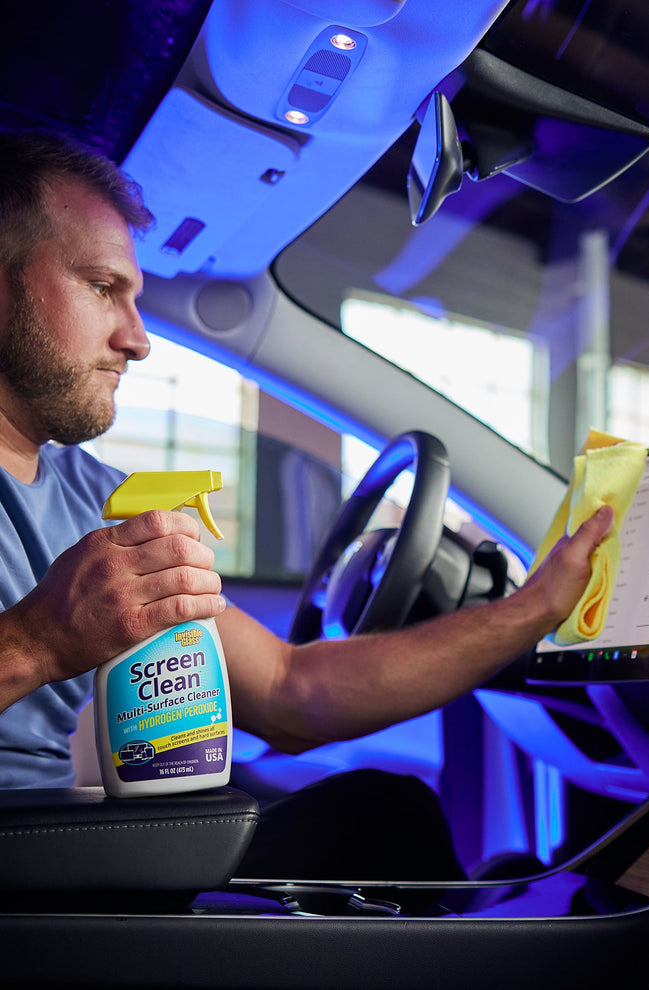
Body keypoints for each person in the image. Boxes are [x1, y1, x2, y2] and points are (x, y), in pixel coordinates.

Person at [0, 129, 614, 877]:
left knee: (398, 817)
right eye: (102, 288)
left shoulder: (95, 493)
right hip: (26, 875)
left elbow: (292, 692)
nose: (137, 339)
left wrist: (536, 607)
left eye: (136, 298)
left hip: (58, 844)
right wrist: (37, 642)